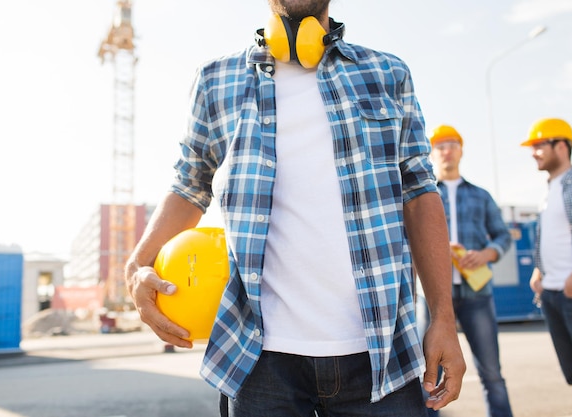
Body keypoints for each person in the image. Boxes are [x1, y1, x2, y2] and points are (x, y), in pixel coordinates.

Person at [124, 1, 466, 415]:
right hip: (258, 360)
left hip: (383, 356)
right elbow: (189, 185)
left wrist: (443, 318)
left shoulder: (388, 73)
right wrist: (137, 266)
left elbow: (419, 191)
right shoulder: (216, 80)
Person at [521, 117, 572, 417]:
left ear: (561, 145)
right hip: (553, 297)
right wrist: (540, 273)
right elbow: (553, 238)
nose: (533, 152)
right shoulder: (548, 191)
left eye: (538, 146)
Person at [428, 125, 514, 417]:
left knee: (491, 373)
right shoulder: (423, 196)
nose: (446, 150)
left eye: (452, 144)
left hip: (477, 294)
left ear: (461, 150)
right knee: (427, 375)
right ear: (432, 152)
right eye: (440, 146)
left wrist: (486, 254)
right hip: (432, 298)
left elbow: (503, 236)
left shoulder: (481, 195)